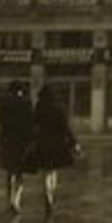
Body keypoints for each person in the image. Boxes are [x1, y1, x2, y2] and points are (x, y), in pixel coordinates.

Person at [30, 84, 80, 215]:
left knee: (46, 172)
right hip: (56, 144)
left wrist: (33, 140)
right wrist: (74, 143)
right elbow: (65, 128)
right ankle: (51, 194)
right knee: (53, 171)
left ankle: (48, 195)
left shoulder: (38, 108)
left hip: (43, 144)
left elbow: (34, 126)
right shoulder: (58, 109)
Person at [0, 80, 35, 215]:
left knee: (9, 172)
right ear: (21, 90)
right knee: (19, 173)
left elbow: (0, 120)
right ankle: (16, 201)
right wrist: (31, 142)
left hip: (7, 141)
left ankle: (9, 200)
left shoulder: (4, 102)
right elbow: (30, 124)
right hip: (21, 142)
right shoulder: (26, 103)